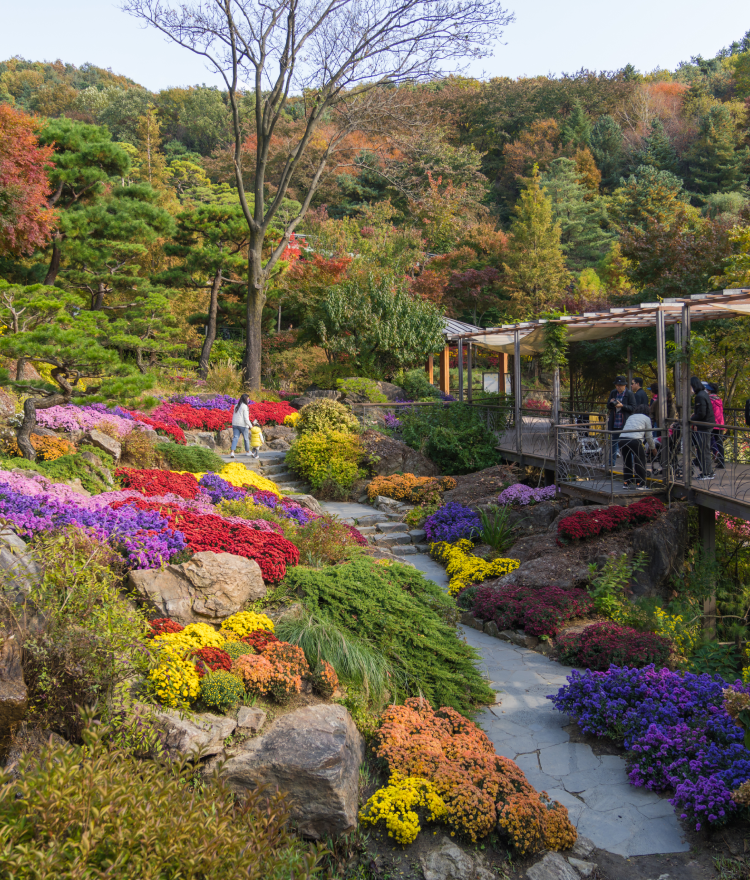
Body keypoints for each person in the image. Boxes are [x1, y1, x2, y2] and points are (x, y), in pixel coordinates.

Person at [619, 404, 656, 489]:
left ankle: (626, 483)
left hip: (622, 439)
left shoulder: (631, 416)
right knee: (640, 461)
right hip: (635, 440)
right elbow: (649, 436)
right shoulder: (646, 418)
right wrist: (653, 448)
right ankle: (640, 484)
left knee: (627, 461)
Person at [606, 376, 636, 467]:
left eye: (620, 385)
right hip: (615, 422)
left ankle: (629, 464)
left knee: (627, 444)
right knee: (613, 443)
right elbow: (608, 406)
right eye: (616, 385)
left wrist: (622, 406)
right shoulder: (613, 392)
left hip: (625, 423)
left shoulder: (629, 394)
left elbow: (633, 408)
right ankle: (611, 463)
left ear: (624, 385)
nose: (618, 387)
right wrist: (611, 403)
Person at [690, 376, 715, 480]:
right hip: (706, 425)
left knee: (703, 449)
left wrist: (691, 419)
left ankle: (706, 473)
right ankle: (708, 471)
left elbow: (701, 414)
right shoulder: (703, 394)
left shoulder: (700, 396)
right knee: (703, 449)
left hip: (704, 426)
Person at [706, 382, 725, 469]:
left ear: (709, 390)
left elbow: (709, 411)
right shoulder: (719, 399)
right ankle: (722, 461)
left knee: (705, 440)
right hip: (720, 423)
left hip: (712, 423)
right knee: (719, 442)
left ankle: (704, 460)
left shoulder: (709, 399)